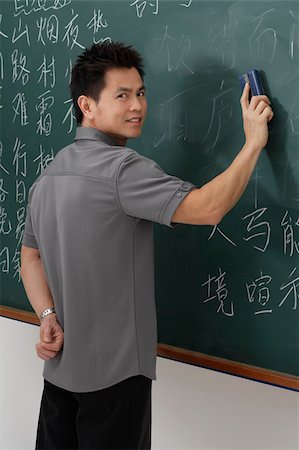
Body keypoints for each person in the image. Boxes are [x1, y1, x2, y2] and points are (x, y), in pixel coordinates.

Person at [20, 41, 273, 450]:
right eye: (122, 95)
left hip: (60, 376)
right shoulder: (123, 170)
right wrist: (252, 144)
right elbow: (208, 208)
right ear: (87, 105)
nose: (137, 105)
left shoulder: (49, 175)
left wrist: (47, 314)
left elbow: (29, 257)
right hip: (116, 380)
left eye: (140, 93)